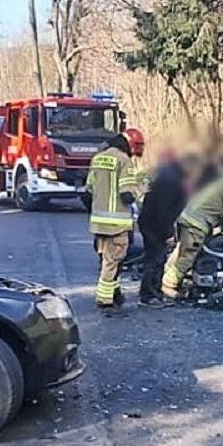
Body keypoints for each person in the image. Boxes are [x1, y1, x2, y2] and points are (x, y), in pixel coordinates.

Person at [161, 157, 223, 300]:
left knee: (180, 252)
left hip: (187, 219)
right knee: (188, 256)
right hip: (197, 224)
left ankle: (163, 279)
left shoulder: (221, 181)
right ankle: (169, 286)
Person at [87, 128, 146, 310]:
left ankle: (114, 294)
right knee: (113, 261)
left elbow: (89, 187)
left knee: (106, 260)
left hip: (98, 222)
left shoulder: (98, 158)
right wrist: (140, 190)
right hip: (117, 224)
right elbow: (127, 194)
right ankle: (105, 299)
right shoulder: (124, 160)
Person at [137, 149, 186, 307]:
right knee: (155, 260)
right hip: (154, 225)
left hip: (150, 222)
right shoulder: (172, 181)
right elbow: (164, 210)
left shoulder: (168, 176)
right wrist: (168, 233)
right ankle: (149, 296)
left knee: (156, 259)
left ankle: (154, 293)